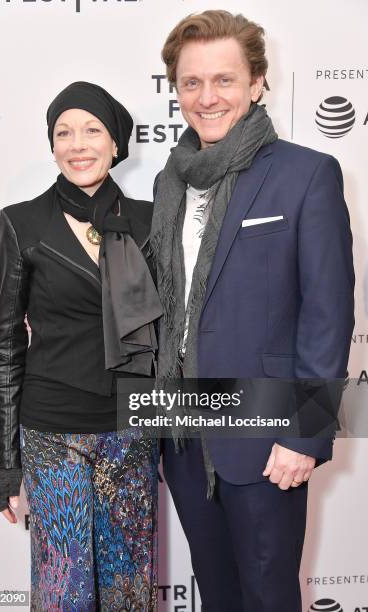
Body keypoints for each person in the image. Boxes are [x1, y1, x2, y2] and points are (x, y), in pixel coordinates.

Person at [151, 10, 354, 612]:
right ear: (176, 90)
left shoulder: (306, 173)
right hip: (184, 437)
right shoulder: (170, 182)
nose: (207, 97)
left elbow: (328, 312)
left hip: (268, 440)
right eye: (192, 83)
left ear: (258, 82)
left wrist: (304, 432)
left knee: (267, 598)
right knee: (218, 598)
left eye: (224, 80)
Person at [0, 81, 162, 611]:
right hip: (51, 429)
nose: (78, 144)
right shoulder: (23, 222)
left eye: (92, 130)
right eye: (64, 132)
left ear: (116, 145)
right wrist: (6, 463)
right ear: (51, 145)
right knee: (62, 593)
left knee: (128, 591)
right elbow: (6, 344)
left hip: (132, 429)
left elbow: (175, 333)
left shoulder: (152, 220)